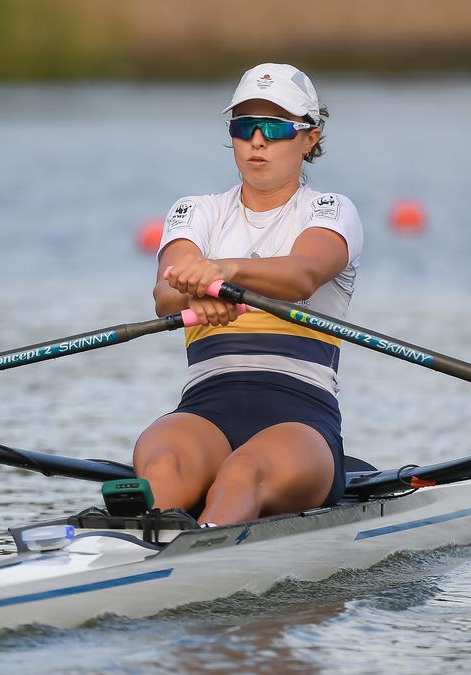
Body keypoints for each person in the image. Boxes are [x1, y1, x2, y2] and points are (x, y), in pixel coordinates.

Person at [133, 62, 364, 526]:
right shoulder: (196, 211)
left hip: (300, 416)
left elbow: (302, 275)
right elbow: (165, 293)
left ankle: (203, 548)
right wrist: (195, 294)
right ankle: (140, 548)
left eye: (276, 127)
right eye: (243, 127)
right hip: (205, 408)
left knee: (242, 474)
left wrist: (225, 273)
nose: (257, 140)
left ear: (310, 137)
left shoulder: (331, 210)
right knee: (161, 466)